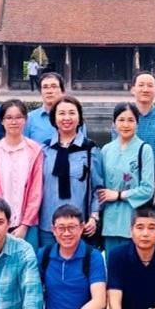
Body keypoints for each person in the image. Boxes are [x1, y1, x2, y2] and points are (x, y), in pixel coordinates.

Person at [38, 96, 104, 248]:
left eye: (72, 113)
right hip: (48, 225)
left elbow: (98, 189)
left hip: (80, 225)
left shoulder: (90, 149)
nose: (67, 118)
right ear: (54, 118)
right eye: (61, 113)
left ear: (79, 118)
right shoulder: (44, 149)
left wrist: (94, 217)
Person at [0, 99, 44, 242]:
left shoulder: (35, 151)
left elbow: (36, 190)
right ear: (2, 121)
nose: (13, 122)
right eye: (8, 118)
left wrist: (25, 225)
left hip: (28, 224)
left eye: (18, 117)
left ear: (25, 120)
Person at [97, 102, 155, 254]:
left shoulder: (144, 149)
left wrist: (118, 195)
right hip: (109, 222)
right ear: (114, 123)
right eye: (121, 120)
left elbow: (148, 189)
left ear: (137, 123)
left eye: (131, 120)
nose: (125, 125)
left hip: (135, 219)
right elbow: (99, 186)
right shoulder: (106, 150)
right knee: (112, 264)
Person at [25, 72, 83, 145]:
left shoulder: (74, 119)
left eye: (54, 86)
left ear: (62, 91)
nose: (49, 91)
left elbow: (84, 146)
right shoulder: (29, 119)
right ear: (40, 92)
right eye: (45, 87)